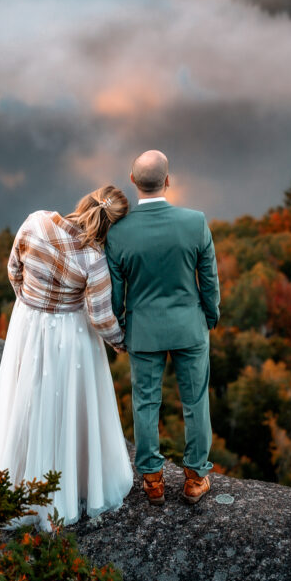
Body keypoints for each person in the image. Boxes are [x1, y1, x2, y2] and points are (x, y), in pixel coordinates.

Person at [0, 185, 134, 530]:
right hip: (69, 337)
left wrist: (30, 303)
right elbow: (100, 317)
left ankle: (17, 484)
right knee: (65, 407)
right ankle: (68, 489)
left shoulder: (35, 222)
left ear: (85, 201)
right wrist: (120, 342)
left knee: (27, 400)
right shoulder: (94, 260)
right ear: (113, 226)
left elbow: (13, 269)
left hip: (27, 324)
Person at [105, 150, 220, 506]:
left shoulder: (118, 233)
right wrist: (210, 316)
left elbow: (116, 294)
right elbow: (209, 280)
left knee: (145, 402)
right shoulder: (195, 222)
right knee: (195, 401)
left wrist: (121, 328)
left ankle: (153, 481)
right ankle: (195, 478)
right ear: (168, 181)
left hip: (143, 331)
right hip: (189, 326)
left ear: (133, 180)